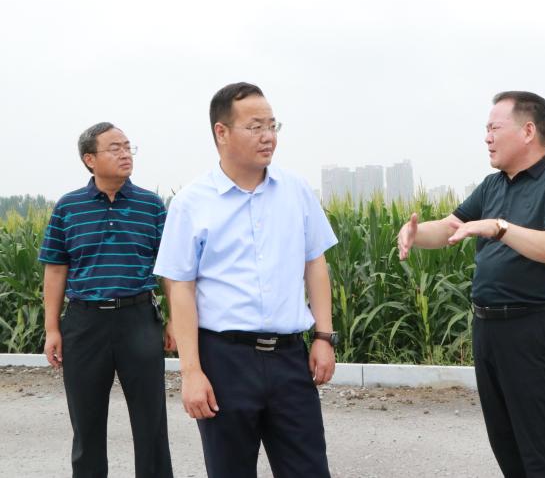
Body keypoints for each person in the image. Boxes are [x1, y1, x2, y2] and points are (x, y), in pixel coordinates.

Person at [397, 91, 545, 477]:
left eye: (494, 128)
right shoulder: (493, 185)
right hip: (487, 330)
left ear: (528, 131)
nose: (487, 137)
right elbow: (452, 227)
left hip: (532, 329)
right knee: (506, 443)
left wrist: (500, 228)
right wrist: (415, 234)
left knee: (540, 448)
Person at [153, 82, 338, 478]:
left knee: (309, 469)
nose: (268, 136)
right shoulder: (191, 203)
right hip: (224, 361)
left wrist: (324, 337)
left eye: (272, 125)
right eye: (255, 127)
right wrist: (191, 372)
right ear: (221, 132)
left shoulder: (296, 191)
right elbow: (181, 288)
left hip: (290, 358)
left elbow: (315, 263)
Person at [39, 122, 174, 478]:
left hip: (138, 318)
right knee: (86, 425)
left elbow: (171, 269)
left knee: (151, 422)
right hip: (85, 324)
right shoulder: (69, 207)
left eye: (128, 147)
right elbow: (56, 269)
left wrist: (175, 319)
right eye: (115, 148)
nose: (125, 153)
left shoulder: (150, 205)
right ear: (90, 159)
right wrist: (52, 329)